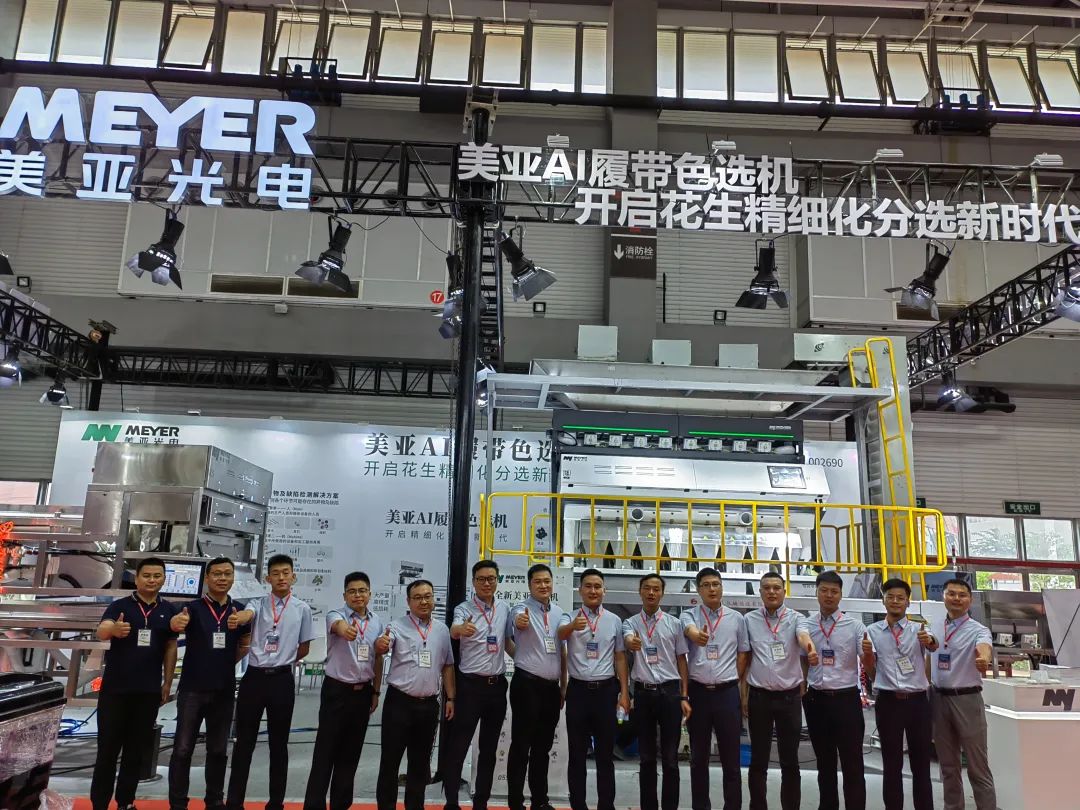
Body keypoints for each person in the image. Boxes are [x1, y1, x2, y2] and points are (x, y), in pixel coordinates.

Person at [226, 554, 315, 810]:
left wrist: (282, 660)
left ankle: (276, 802)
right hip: (254, 678)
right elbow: (247, 615)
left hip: (282, 681)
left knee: (279, 744)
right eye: (276, 573)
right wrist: (241, 618)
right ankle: (234, 802)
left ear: (293, 576)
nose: (281, 578)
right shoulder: (258, 603)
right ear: (268, 578)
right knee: (244, 743)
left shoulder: (302, 609)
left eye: (286, 573)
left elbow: (304, 647)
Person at [91, 557, 180, 810]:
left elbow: (170, 647)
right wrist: (113, 630)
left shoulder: (169, 610)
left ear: (164, 579)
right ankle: (99, 804)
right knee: (107, 750)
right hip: (115, 691)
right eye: (147, 576)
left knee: (135, 751)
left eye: (157, 576)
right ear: (137, 578)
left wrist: (167, 682)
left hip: (148, 691)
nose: (152, 580)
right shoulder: (120, 606)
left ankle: (126, 802)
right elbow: (102, 630)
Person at [168, 557, 254, 810]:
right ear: (207, 578)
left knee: (218, 750)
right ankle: (178, 803)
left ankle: (214, 800)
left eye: (227, 574)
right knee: (183, 748)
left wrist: (224, 662)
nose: (222, 578)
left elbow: (245, 644)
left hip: (223, 690)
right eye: (217, 574)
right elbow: (174, 627)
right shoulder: (192, 608)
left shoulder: (239, 611)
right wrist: (175, 623)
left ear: (233, 578)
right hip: (192, 689)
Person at [303, 571, 384, 810]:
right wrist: (345, 629)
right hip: (336, 692)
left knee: (350, 754)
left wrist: (376, 692)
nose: (358, 595)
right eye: (352, 591)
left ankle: (341, 804)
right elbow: (338, 627)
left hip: (363, 693)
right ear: (344, 595)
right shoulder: (335, 615)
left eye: (362, 591)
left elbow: (378, 659)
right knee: (325, 752)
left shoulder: (377, 622)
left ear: (370, 594)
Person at [374, 579, 455, 810]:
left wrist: (451, 698)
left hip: (428, 706)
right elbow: (383, 646)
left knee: (419, 765)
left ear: (434, 599)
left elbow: (447, 665)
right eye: (417, 597)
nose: (423, 601)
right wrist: (381, 645)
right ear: (408, 601)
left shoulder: (442, 630)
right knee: (390, 762)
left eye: (428, 596)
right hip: (399, 703)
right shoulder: (396, 626)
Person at [741, 571, 817, 810]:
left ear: (784, 591)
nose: (772, 592)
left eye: (776, 588)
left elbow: (803, 636)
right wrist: (743, 695)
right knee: (758, 760)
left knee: (790, 761)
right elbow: (746, 658)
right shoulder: (749, 620)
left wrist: (810, 648)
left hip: (789, 698)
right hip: (759, 697)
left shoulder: (797, 618)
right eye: (767, 588)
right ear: (760, 592)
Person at [862, 578, 938, 810]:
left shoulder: (919, 629)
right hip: (888, 702)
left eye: (900, 598)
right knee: (891, 764)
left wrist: (930, 641)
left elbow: (933, 644)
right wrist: (867, 656)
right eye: (890, 597)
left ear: (908, 602)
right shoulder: (872, 631)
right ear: (883, 600)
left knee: (921, 764)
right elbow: (870, 671)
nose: (895, 601)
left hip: (917, 703)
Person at [557, 568, 631, 810]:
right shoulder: (569, 616)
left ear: (604, 591)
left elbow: (620, 657)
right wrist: (572, 627)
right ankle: (578, 804)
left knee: (605, 756)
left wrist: (624, 693)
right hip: (578, 692)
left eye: (597, 586)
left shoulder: (614, 620)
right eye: (588, 586)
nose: (593, 590)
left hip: (605, 692)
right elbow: (559, 635)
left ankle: (606, 805)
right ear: (580, 590)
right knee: (577, 754)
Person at [442, 560, 513, 810]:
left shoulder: (504, 609)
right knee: (459, 746)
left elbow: (507, 642)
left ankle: (481, 802)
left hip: (496, 687)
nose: (486, 583)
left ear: (497, 580)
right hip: (469, 687)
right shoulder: (464, 609)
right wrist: (461, 629)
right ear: (473, 582)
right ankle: (452, 802)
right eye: (481, 579)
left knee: (489, 749)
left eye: (491, 578)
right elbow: (454, 630)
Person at [680, 567, 750, 810]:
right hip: (698, 693)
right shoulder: (689, 615)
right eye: (706, 585)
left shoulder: (736, 619)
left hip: (727, 693)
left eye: (716, 584)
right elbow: (689, 630)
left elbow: (743, 653)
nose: (712, 589)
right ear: (698, 590)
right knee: (699, 759)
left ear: (722, 587)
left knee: (731, 759)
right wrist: (696, 635)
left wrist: (731, 679)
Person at [623, 572, 691, 810]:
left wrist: (684, 695)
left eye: (656, 589)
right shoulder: (631, 623)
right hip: (643, 694)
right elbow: (627, 639)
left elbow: (682, 660)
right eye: (647, 588)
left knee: (671, 759)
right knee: (647, 758)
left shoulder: (675, 624)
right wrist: (631, 642)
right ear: (640, 591)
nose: (651, 593)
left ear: (662, 593)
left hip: (670, 693)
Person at [801, 571, 867, 810]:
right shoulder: (806, 625)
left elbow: (866, 659)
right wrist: (803, 687)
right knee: (824, 763)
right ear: (817, 592)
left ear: (840, 594)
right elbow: (801, 658)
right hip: (816, 700)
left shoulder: (854, 626)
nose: (829, 595)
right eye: (824, 590)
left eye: (834, 591)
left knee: (853, 763)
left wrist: (869, 655)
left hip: (846, 700)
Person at [929, 578, 996, 810]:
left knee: (978, 766)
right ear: (943, 596)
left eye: (962, 595)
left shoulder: (979, 630)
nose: (956, 598)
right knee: (948, 766)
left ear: (970, 599)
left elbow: (984, 647)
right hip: (939, 699)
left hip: (967, 699)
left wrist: (983, 659)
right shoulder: (935, 626)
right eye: (951, 594)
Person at [507, 563, 568, 810]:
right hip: (527, 686)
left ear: (552, 583)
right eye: (537, 582)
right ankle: (515, 802)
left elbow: (562, 652)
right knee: (521, 746)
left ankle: (540, 801)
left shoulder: (560, 613)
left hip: (551, 689)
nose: (543, 585)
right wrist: (519, 621)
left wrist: (563, 686)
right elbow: (516, 621)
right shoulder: (520, 608)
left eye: (547, 581)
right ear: (529, 585)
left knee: (543, 748)